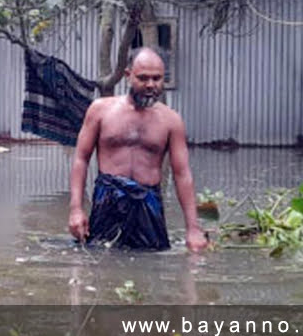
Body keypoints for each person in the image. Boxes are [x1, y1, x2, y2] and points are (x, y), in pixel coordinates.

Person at [67, 47, 208, 252]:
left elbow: (182, 174)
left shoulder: (171, 120)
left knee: (152, 264)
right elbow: (81, 158)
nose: (151, 85)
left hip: (148, 203)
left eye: (157, 78)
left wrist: (193, 228)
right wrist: (76, 209)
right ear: (127, 75)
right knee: (99, 262)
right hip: (108, 200)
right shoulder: (100, 110)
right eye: (143, 78)